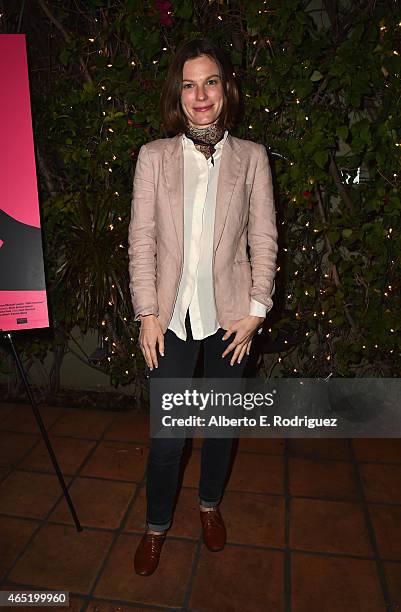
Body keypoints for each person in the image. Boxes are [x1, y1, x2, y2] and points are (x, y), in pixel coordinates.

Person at [128, 37, 278, 576]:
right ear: (178, 94)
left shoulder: (252, 158)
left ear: (225, 88)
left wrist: (257, 309)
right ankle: (156, 526)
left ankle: (209, 504)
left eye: (209, 82)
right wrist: (147, 311)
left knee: (219, 428)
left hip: (231, 321)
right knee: (167, 438)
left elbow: (265, 239)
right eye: (189, 85)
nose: (200, 94)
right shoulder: (154, 157)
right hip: (169, 321)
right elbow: (140, 239)